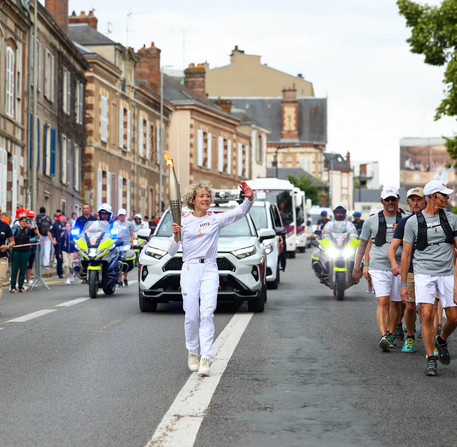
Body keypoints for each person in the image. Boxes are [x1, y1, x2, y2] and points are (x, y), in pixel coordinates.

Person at [169, 180, 254, 377]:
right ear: (193, 200)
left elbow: (239, 212)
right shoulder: (182, 218)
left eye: (208, 196)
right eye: (202, 196)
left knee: (207, 313)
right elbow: (172, 252)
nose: (206, 199)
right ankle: (192, 352)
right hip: (189, 268)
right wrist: (175, 237)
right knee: (191, 315)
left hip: (209, 268)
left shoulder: (215, 219)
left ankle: (206, 357)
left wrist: (249, 198)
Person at [401, 180, 457, 376]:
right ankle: (431, 358)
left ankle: (441, 340)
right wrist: (403, 283)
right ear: (433, 196)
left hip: (448, 273)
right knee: (426, 314)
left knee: (454, 317)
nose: (448, 198)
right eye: (444, 195)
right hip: (423, 273)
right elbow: (406, 254)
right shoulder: (412, 222)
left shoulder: (452, 219)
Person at [352, 186, 406, 352]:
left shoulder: (406, 219)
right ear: (381, 201)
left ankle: (390, 332)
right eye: (387, 199)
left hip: (398, 266)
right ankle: (384, 335)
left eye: (393, 199)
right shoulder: (371, 221)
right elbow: (363, 244)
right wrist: (358, 267)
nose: (390, 202)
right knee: (383, 301)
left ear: (398, 199)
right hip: (378, 266)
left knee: (396, 303)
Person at [388, 187, 426, 354]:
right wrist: (393, 263)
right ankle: (410, 336)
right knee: (409, 308)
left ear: (425, 200)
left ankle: (430, 339)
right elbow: (393, 246)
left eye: (419, 199)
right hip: (410, 270)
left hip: (429, 271)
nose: (416, 203)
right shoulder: (405, 222)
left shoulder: (436, 220)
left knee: (426, 309)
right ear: (409, 202)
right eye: (412, 199)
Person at [10, 216, 39, 293]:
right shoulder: (16, 228)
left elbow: (34, 236)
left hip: (25, 251)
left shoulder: (27, 229)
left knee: (23, 269)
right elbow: (12, 237)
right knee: (15, 269)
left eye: (25, 222)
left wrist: (32, 228)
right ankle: (13, 286)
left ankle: (21, 286)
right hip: (17, 250)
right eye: (23, 221)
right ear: (19, 221)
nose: (24, 223)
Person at [113, 208, 134, 287]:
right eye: (120, 215)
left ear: (125, 215)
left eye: (122, 215)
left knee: (125, 263)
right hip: (118, 245)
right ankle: (120, 280)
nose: (121, 216)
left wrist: (132, 245)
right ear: (118, 216)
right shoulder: (115, 224)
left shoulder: (129, 224)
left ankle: (125, 278)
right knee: (118, 262)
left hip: (126, 245)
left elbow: (132, 235)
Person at [0, 211, 14, 312]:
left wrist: (7, 246)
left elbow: (12, 241)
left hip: (2, 257)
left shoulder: (5, 226)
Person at [25, 210, 39, 288]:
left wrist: (35, 230)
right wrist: (28, 227)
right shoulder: (23, 225)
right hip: (26, 246)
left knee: (30, 264)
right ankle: (21, 281)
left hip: (33, 245)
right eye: (28, 217)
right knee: (24, 264)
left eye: (31, 217)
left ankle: (28, 280)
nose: (30, 219)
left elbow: (38, 236)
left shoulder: (34, 225)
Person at [50, 213, 66, 279]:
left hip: (65, 243)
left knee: (64, 258)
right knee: (59, 258)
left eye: (64, 217)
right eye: (62, 217)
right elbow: (49, 232)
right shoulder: (56, 224)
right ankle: (60, 273)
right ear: (59, 218)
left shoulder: (66, 224)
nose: (63, 218)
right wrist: (52, 240)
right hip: (58, 243)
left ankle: (65, 271)